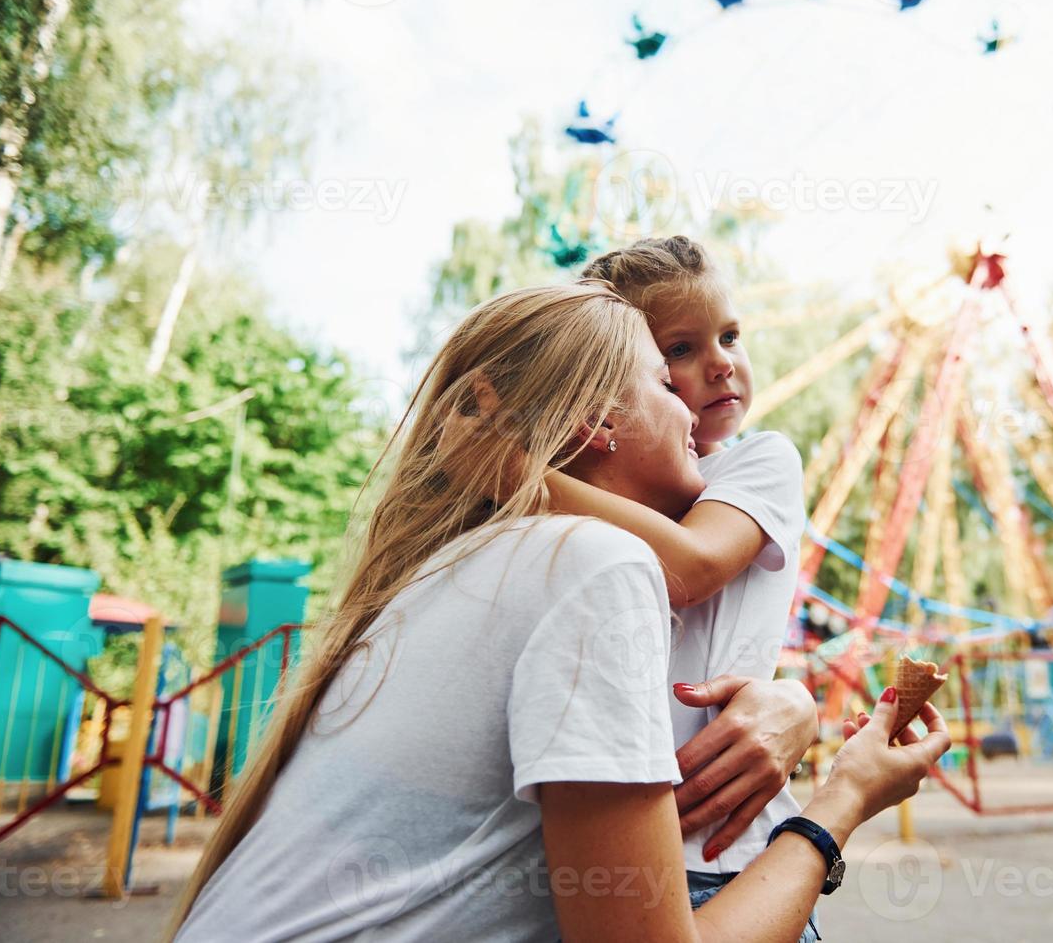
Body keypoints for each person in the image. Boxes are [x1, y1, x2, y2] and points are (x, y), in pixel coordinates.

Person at [171, 283, 950, 942]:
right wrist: (844, 796)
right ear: (597, 419)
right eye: (667, 384)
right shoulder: (592, 564)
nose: (695, 419)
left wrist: (790, 701)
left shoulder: (467, 566)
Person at [542, 237, 818, 931]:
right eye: (681, 350)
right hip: (617, 847)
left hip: (726, 851)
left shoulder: (758, 463)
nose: (723, 362)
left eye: (729, 336)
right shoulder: (596, 490)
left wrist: (515, 473)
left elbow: (691, 569)